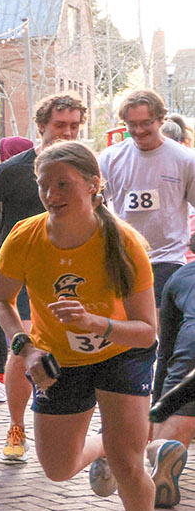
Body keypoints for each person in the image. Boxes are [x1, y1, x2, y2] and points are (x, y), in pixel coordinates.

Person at [0, 141, 169, 511]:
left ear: (93, 185)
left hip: (122, 353)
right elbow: (2, 301)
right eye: (44, 185)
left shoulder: (124, 243)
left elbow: (148, 330)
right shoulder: (25, 237)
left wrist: (96, 322)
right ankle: (103, 451)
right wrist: (24, 346)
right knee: (56, 469)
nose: (52, 194)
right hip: (58, 361)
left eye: (63, 184)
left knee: (128, 460)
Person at [0, 93, 85, 462]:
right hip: (17, 272)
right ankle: (16, 426)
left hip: (66, 272)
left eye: (74, 126)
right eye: (59, 125)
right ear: (41, 127)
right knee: (25, 343)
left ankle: (63, 419)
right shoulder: (14, 169)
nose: (67, 132)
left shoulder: (84, 167)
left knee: (66, 348)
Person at [99, 88, 195, 398]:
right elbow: (97, 203)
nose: (139, 130)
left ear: (160, 120)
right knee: (126, 333)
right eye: (132, 124)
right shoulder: (112, 157)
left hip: (168, 256)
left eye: (146, 123)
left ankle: (154, 402)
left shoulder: (183, 159)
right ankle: (128, 400)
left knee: (151, 332)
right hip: (123, 257)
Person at [149, 243, 195, 506]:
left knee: (181, 409)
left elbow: (164, 353)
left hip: (191, 347)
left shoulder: (181, 277)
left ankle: (162, 450)